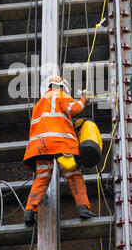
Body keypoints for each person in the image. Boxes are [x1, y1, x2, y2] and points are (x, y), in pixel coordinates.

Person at [23, 75, 95, 226]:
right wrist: (83, 100)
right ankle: (83, 208)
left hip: (41, 147)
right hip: (62, 145)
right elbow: (74, 109)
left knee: (42, 178)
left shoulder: (38, 104)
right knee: (74, 176)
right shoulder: (61, 95)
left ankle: (30, 210)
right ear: (62, 86)